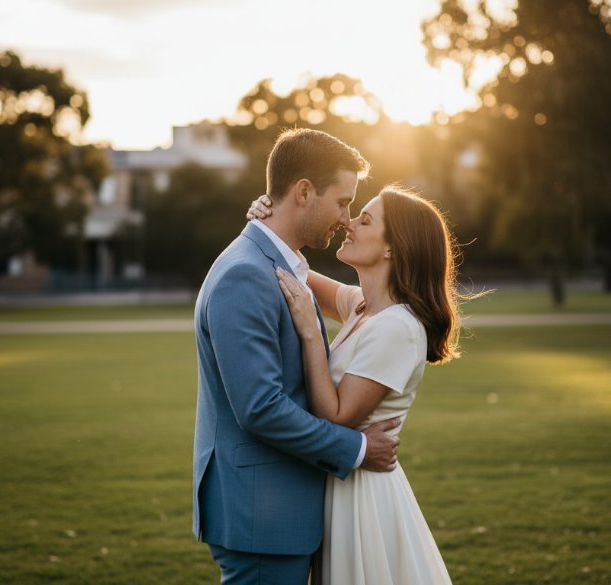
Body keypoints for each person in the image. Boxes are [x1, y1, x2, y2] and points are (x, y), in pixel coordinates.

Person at [192, 128, 402, 585]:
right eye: (343, 203)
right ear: (304, 192)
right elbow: (260, 408)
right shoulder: (246, 275)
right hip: (260, 516)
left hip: (276, 511)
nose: (346, 219)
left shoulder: (279, 265)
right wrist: (358, 448)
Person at [247, 184, 461, 585]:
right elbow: (290, 270)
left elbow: (337, 416)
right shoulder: (363, 307)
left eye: (365, 220)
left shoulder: (397, 327)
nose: (349, 223)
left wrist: (312, 333)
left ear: (392, 248)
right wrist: (271, 220)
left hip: (363, 497)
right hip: (342, 479)